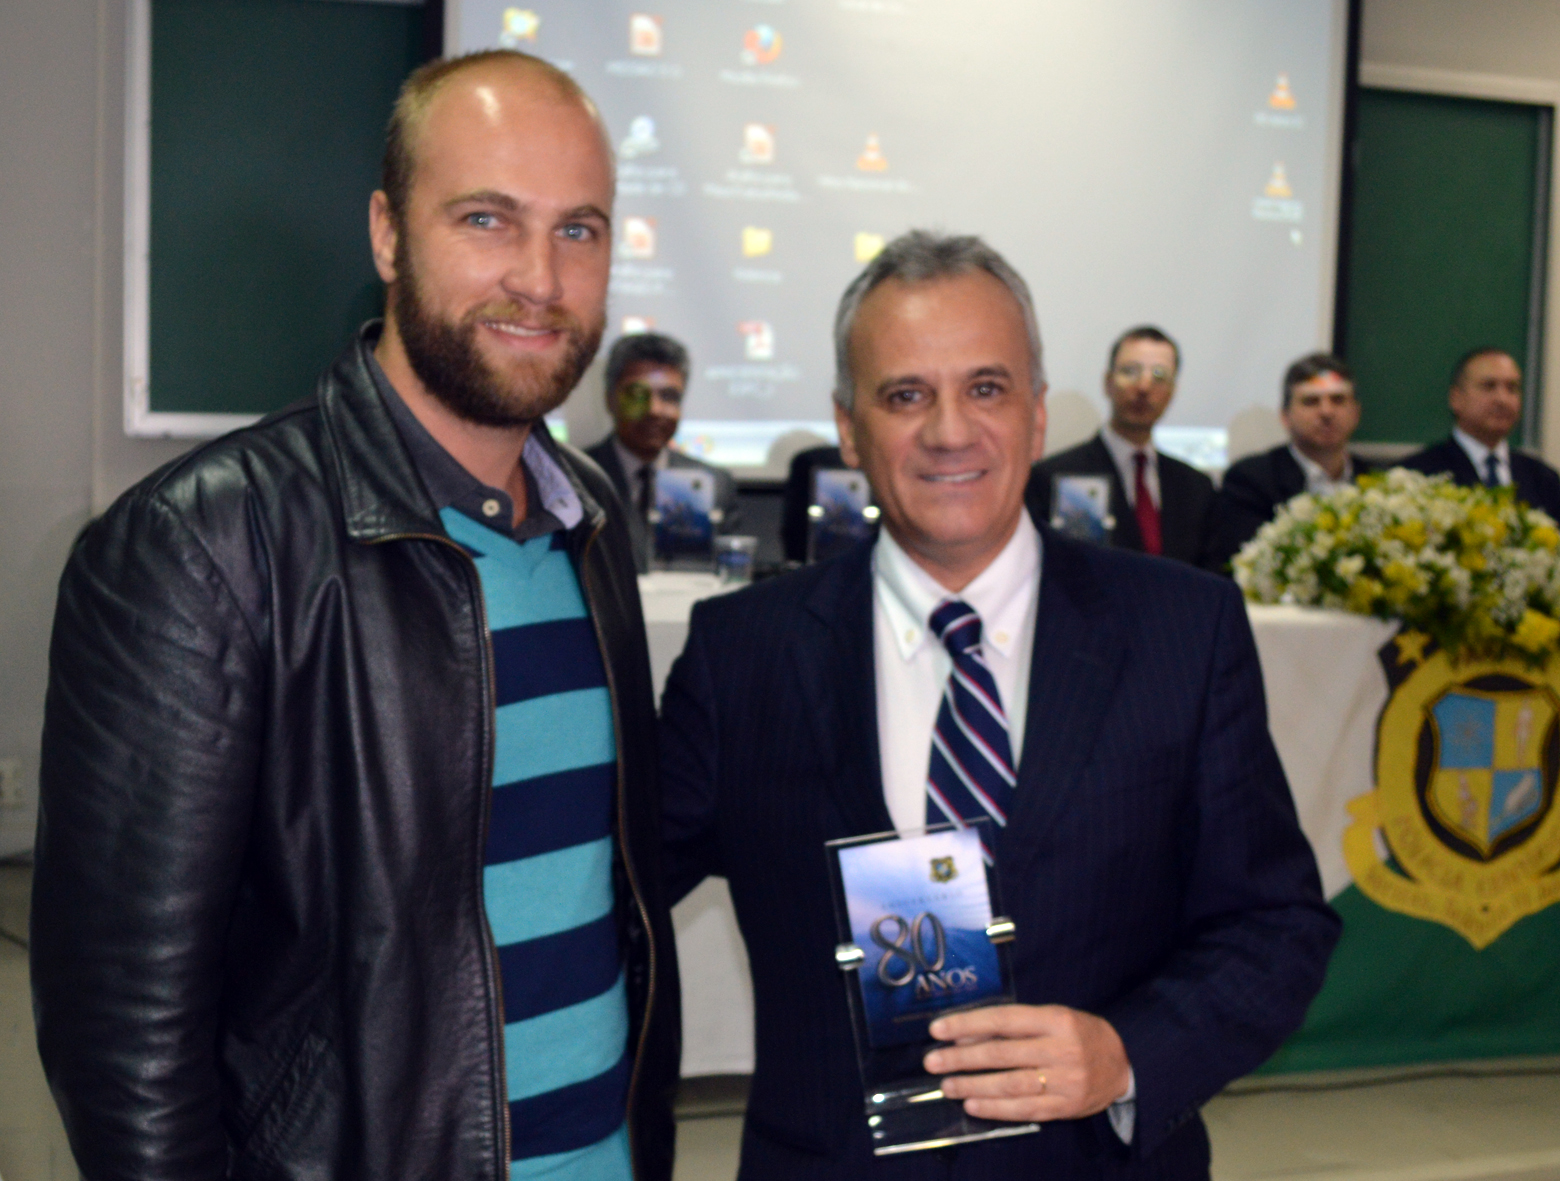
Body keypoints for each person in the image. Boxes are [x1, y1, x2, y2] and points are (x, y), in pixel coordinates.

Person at [33, 50, 677, 1180]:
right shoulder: (202, 544)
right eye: (487, 219)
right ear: (387, 234)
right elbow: (124, 1036)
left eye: (578, 229)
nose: (540, 277)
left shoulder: (593, 520)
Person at [658, 231, 1338, 1178]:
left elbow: (1277, 926)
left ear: (1037, 412)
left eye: (986, 387)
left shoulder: (1184, 631)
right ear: (848, 428)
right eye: (906, 395)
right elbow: (606, 891)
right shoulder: (743, 653)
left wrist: (1128, 1054)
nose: (950, 431)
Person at [1024, 326, 1218, 566]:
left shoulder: (1196, 487)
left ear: (1172, 391)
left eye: (1159, 375)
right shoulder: (1055, 477)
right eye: (1130, 371)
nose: (1144, 387)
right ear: (1108, 383)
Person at [586, 331, 740, 571]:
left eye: (669, 396)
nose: (654, 410)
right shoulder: (576, 476)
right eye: (638, 395)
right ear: (610, 400)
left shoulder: (714, 485)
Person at [1210, 351, 1376, 567]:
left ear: (1356, 413)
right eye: (1311, 401)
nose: (1326, 412)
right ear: (1285, 416)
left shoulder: (1376, 480)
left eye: (1338, 400)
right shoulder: (1251, 480)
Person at [1400, 347, 1560, 524]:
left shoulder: (1544, 479)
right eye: (1489, 386)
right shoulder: (1416, 474)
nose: (1502, 399)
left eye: (1512, 388)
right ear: (1456, 398)